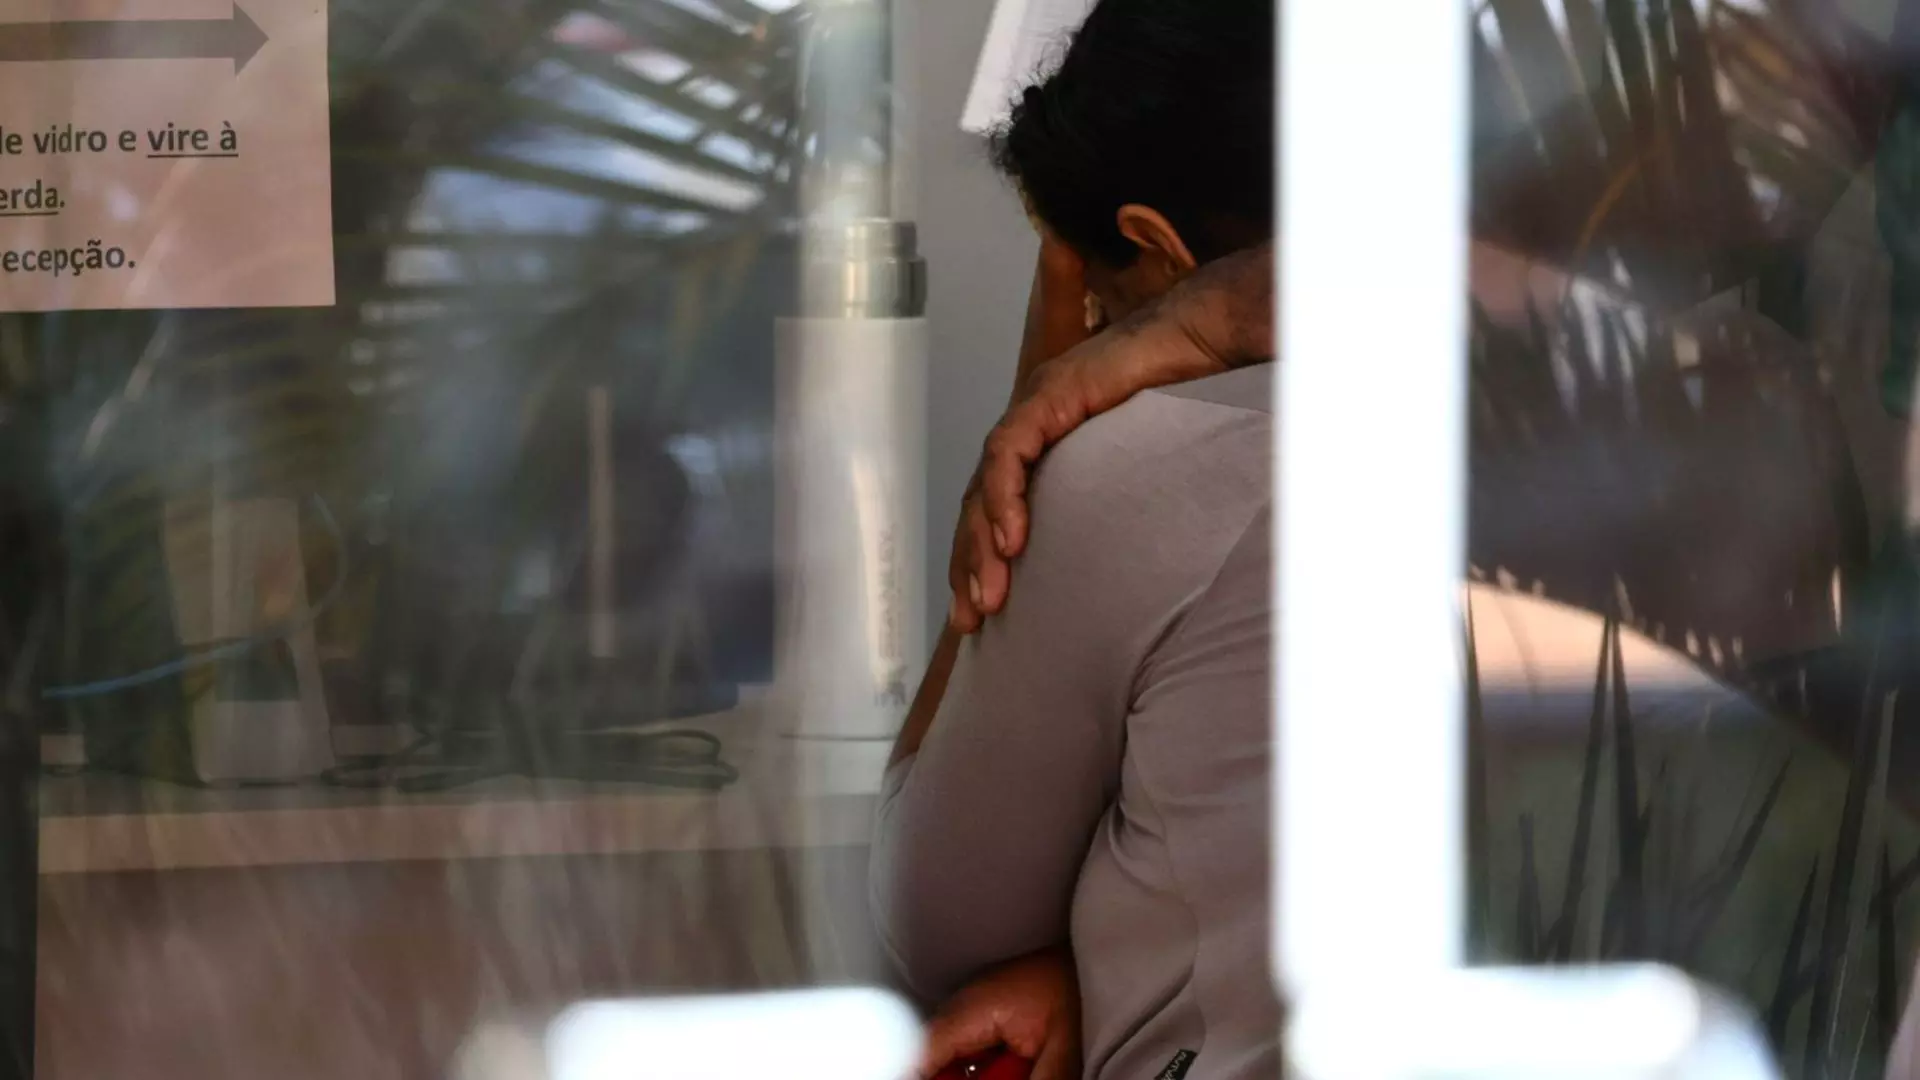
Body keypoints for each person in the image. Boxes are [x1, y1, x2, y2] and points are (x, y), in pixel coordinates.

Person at [869, 2, 1279, 1078]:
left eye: (1096, 296)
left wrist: (1038, 405)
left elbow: (934, 922)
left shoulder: (1147, 471)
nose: (1094, 327)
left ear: (1155, 245)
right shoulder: (1577, 418)